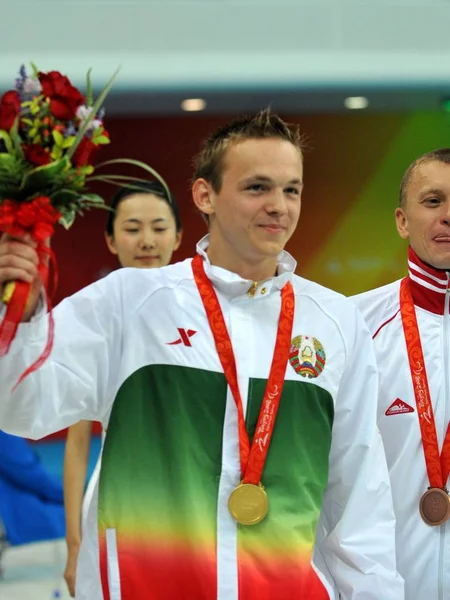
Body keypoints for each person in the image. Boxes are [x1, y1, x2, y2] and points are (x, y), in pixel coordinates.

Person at [0, 110, 404, 599]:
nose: (279, 206)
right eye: (257, 187)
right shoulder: (129, 302)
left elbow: (359, 495)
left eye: (291, 189)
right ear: (204, 195)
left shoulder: (336, 321)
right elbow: (22, 407)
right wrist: (19, 313)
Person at [63, 181, 182, 597]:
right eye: (132, 229)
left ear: (179, 237)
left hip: (197, 494)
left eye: (159, 227)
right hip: (120, 498)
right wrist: (75, 545)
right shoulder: (94, 320)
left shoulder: (210, 317)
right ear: (111, 240)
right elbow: (78, 443)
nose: (147, 241)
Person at [352, 148, 450, 599]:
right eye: (433, 201)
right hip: (388, 585)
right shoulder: (355, 325)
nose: (448, 216)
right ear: (402, 220)